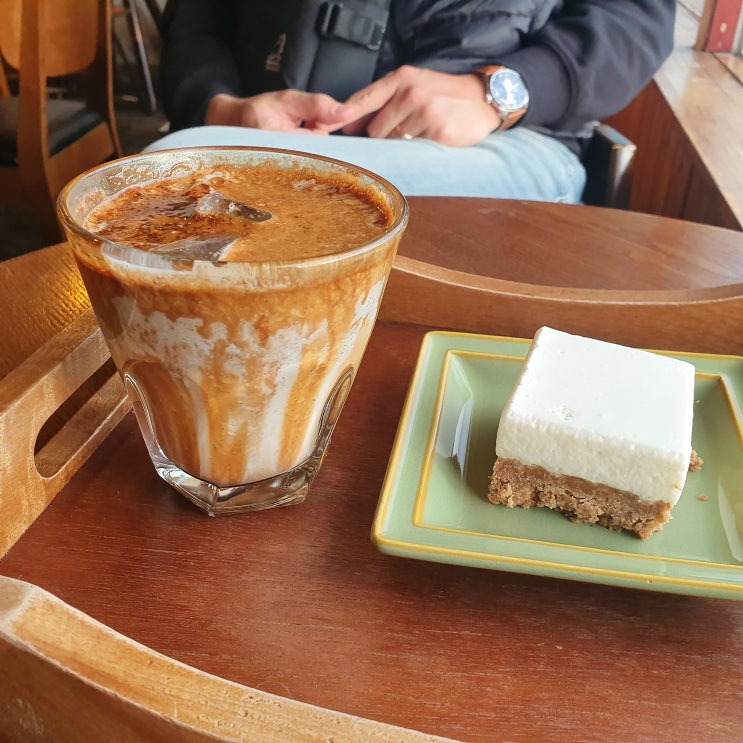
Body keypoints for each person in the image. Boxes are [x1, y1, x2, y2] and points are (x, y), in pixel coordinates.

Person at [150, 0, 676, 203]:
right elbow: (197, 18)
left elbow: (636, 20)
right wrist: (219, 106)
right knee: (169, 176)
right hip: (261, 135)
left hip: (509, 140)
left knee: (173, 170)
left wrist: (494, 94)